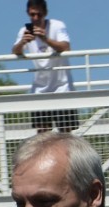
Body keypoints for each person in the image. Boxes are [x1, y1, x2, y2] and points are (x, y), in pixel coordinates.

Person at [14, 1, 78, 132]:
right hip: (40, 90)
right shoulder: (24, 31)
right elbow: (15, 51)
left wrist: (45, 39)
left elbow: (66, 47)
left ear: (45, 13)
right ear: (28, 14)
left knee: (66, 136)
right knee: (42, 137)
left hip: (63, 88)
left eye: (39, 14)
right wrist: (22, 42)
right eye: (32, 15)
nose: (36, 18)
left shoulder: (57, 25)